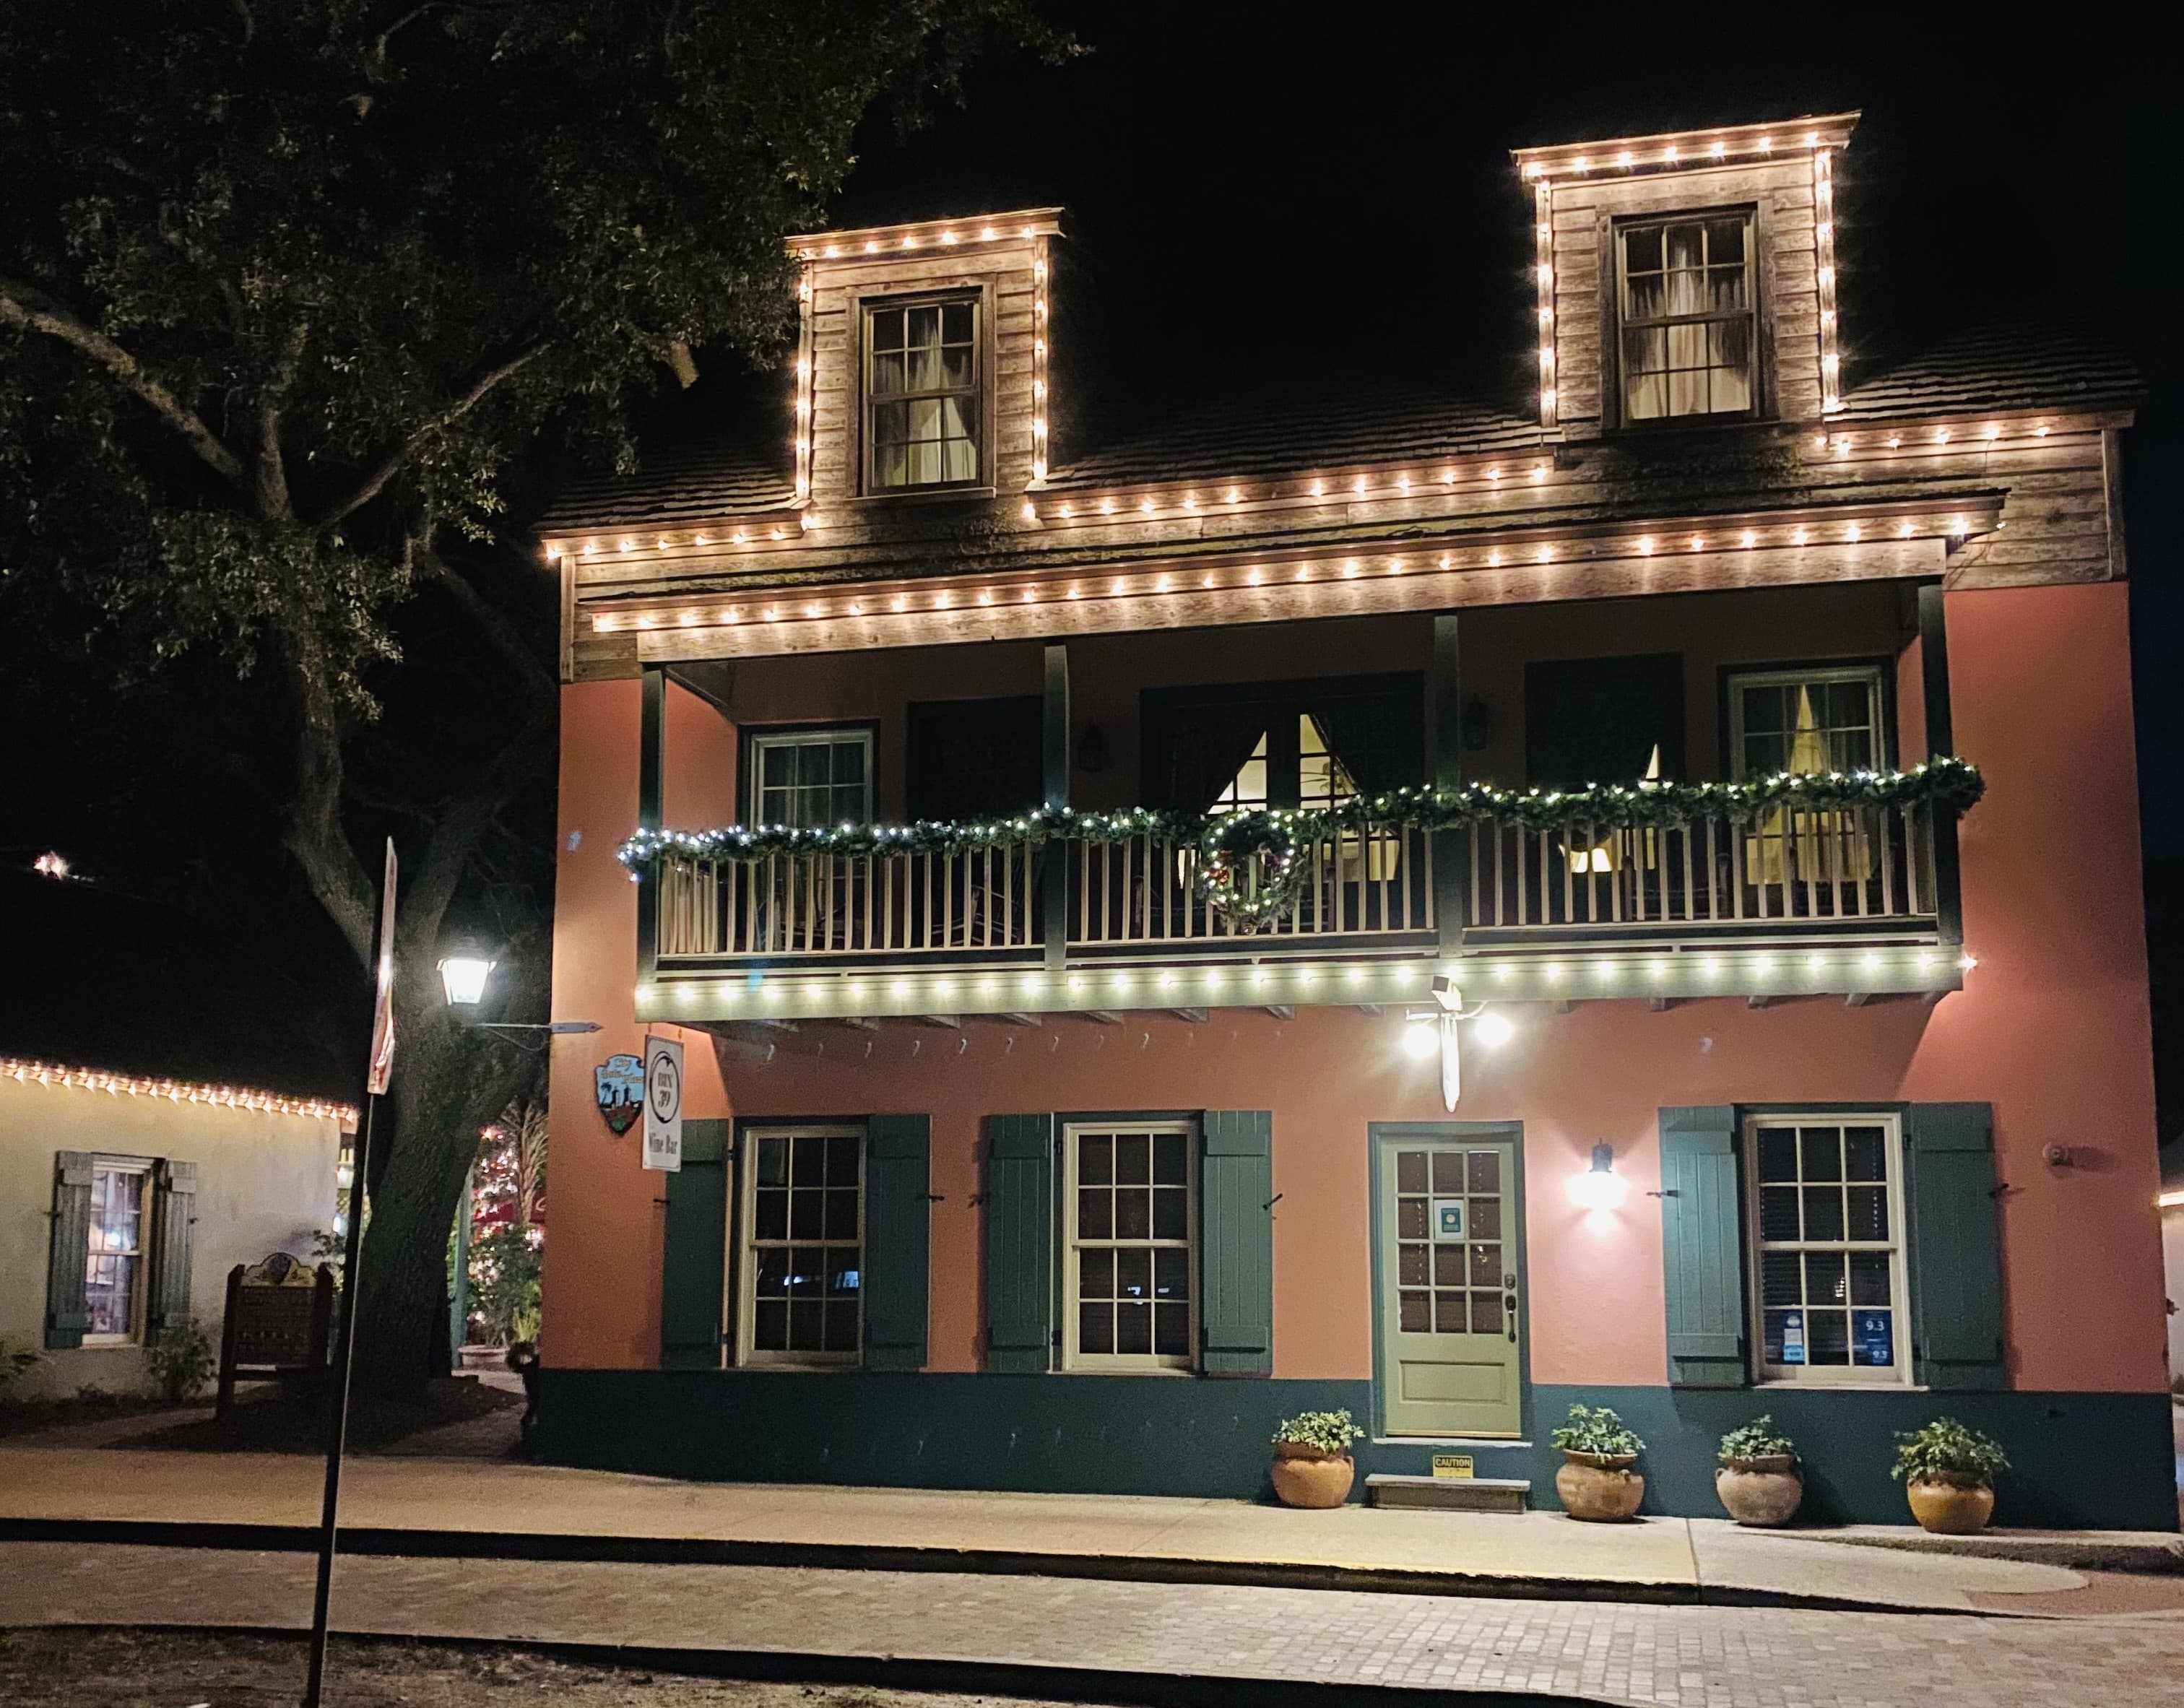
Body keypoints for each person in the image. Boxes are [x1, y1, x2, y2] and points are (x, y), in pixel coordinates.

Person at [504, 1340, 540, 1455]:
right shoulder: (533, 1367)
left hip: (536, 1393)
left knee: (530, 1417)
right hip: (537, 1392)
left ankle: (529, 1446)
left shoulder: (530, 1370)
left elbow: (533, 1394)